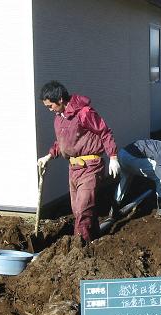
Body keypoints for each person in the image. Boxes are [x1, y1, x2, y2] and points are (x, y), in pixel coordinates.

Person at [37, 81, 120, 241]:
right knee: (79, 211)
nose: (49, 109)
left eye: (50, 106)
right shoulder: (59, 119)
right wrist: (49, 156)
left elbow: (105, 132)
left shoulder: (84, 113)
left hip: (91, 166)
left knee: (83, 210)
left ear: (60, 99)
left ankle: (80, 249)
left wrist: (113, 157)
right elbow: (61, 142)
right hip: (73, 168)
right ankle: (93, 239)